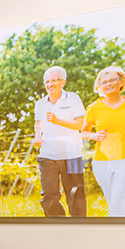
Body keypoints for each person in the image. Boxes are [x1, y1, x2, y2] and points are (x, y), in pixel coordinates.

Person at [84, 66, 125, 217]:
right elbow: (83, 132)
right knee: (114, 201)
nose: (108, 84)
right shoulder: (94, 108)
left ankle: (118, 228)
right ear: (100, 86)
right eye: (104, 82)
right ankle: (123, 225)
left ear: (121, 82)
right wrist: (94, 136)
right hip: (102, 160)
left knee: (119, 197)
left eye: (112, 80)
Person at [32, 66, 88, 217]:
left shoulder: (73, 98)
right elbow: (38, 124)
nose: (50, 84)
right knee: (49, 197)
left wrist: (58, 121)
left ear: (63, 82)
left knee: (76, 196)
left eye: (54, 80)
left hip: (72, 154)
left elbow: (81, 124)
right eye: (47, 81)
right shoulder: (40, 104)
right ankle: (58, 225)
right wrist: (38, 136)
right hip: (47, 155)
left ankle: (79, 228)